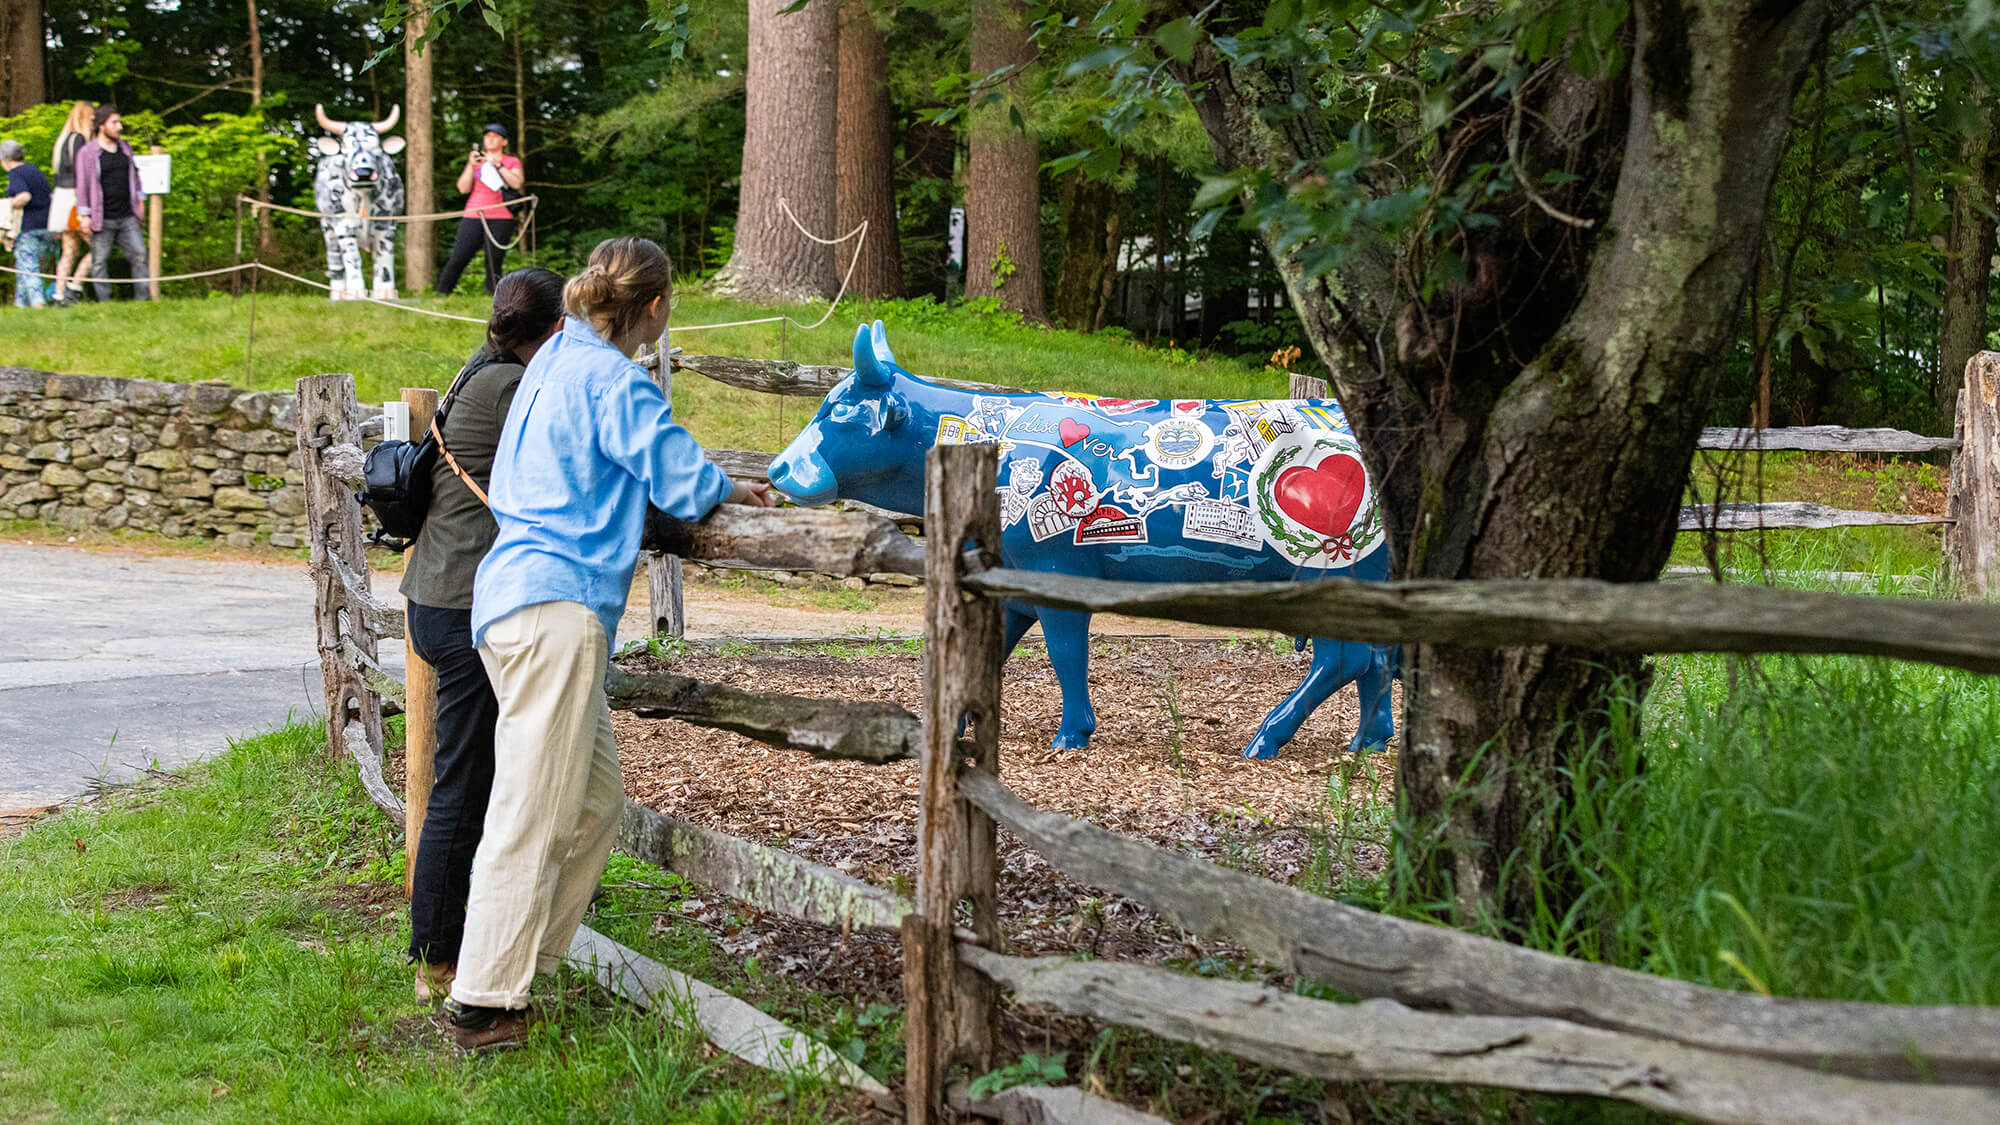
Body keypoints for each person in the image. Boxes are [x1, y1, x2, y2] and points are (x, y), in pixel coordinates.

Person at [445, 236, 775, 1052]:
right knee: (530, 807)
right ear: (656, 307)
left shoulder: (555, 358)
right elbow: (683, 481)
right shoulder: (612, 379)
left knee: (592, 805)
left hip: (518, 599)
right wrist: (732, 487)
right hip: (554, 610)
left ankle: (526, 969)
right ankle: (484, 1000)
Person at [403, 267, 568, 1005]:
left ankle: (460, 937)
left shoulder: (481, 369)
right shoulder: (513, 389)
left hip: (437, 595)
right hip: (461, 603)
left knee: (473, 780)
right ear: (554, 327)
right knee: (462, 786)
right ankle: (436, 958)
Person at [433, 124, 524, 297]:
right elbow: (462, 188)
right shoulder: (477, 163)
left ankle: (494, 297)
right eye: (487, 135)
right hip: (474, 214)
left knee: (493, 260)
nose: (490, 139)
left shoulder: (511, 161)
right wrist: (470, 165)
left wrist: (497, 164)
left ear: (504, 141)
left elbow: (516, 183)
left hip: (500, 216)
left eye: (495, 136)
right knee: (459, 256)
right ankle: (441, 294)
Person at [74, 104, 151, 302]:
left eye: (119, 121)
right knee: (99, 261)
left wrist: (140, 201)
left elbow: (136, 177)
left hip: (127, 216)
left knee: (140, 254)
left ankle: (144, 300)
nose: (120, 126)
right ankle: (105, 303)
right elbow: (81, 186)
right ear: (102, 126)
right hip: (102, 217)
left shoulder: (125, 147)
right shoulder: (87, 153)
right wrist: (84, 216)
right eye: (114, 122)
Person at [48, 102, 95, 305]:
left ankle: (59, 294)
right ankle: (74, 287)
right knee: (100, 246)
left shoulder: (64, 140)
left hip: (62, 198)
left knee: (70, 250)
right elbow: (81, 175)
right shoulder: (79, 140)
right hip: (74, 200)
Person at [2, 139, 52, 309]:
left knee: (29, 267)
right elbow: (49, 196)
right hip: (48, 225)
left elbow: (24, 197)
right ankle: (20, 305)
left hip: (29, 227)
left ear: (4, 159)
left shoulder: (15, 173)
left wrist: (7, 205)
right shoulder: (34, 170)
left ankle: (38, 304)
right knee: (24, 265)